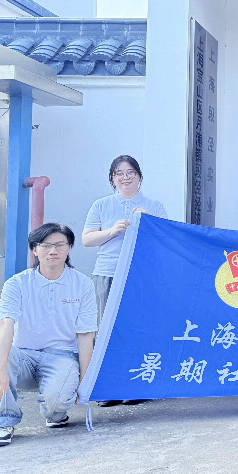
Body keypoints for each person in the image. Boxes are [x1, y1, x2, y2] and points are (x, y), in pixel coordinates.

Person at [0, 223, 97, 447]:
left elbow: (85, 335)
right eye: (45, 245)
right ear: (35, 250)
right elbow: (6, 325)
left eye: (59, 245)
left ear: (70, 248)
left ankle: (55, 413)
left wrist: (85, 381)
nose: (53, 251)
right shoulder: (16, 284)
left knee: (56, 405)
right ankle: (3, 421)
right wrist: (0, 367)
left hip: (63, 356)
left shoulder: (83, 284)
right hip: (23, 355)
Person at [82, 154, 166, 407]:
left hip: (141, 275)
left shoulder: (154, 205)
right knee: (107, 329)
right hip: (107, 272)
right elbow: (86, 240)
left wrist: (149, 222)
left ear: (139, 176)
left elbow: (164, 241)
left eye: (131, 172)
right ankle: (109, 387)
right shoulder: (101, 205)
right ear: (112, 178)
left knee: (139, 327)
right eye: (119, 173)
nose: (125, 177)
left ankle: (137, 384)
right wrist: (112, 231)